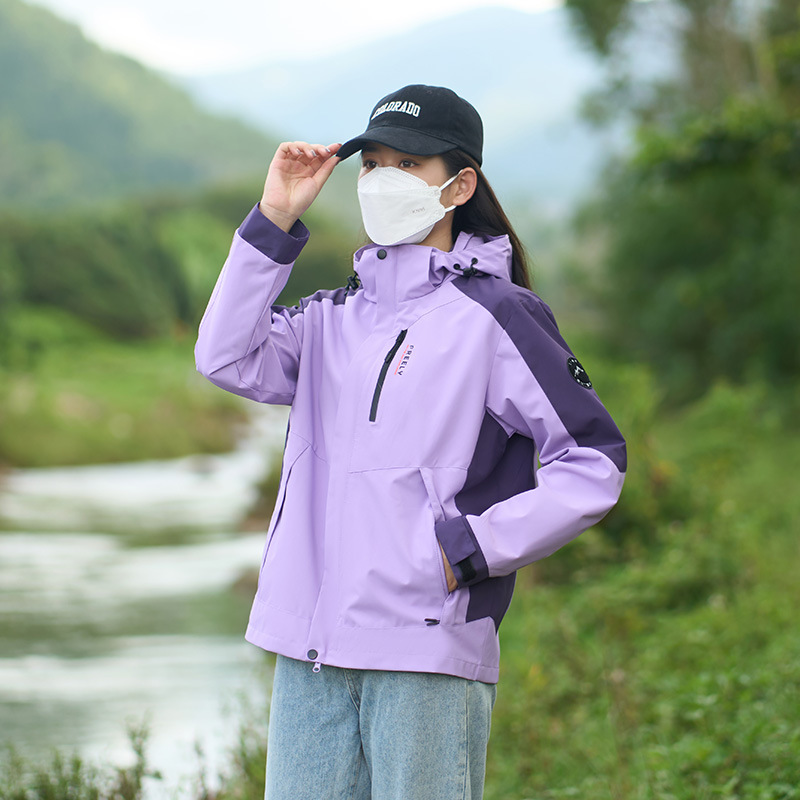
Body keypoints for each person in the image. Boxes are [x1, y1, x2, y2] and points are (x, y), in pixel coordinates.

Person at [195, 84, 626, 800]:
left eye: (408, 165)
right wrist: (274, 217)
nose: (382, 179)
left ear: (459, 186)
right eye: (373, 165)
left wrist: (470, 549)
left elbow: (593, 461)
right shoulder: (330, 319)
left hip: (425, 644)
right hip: (309, 647)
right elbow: (224, 356)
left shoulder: (498, 315)